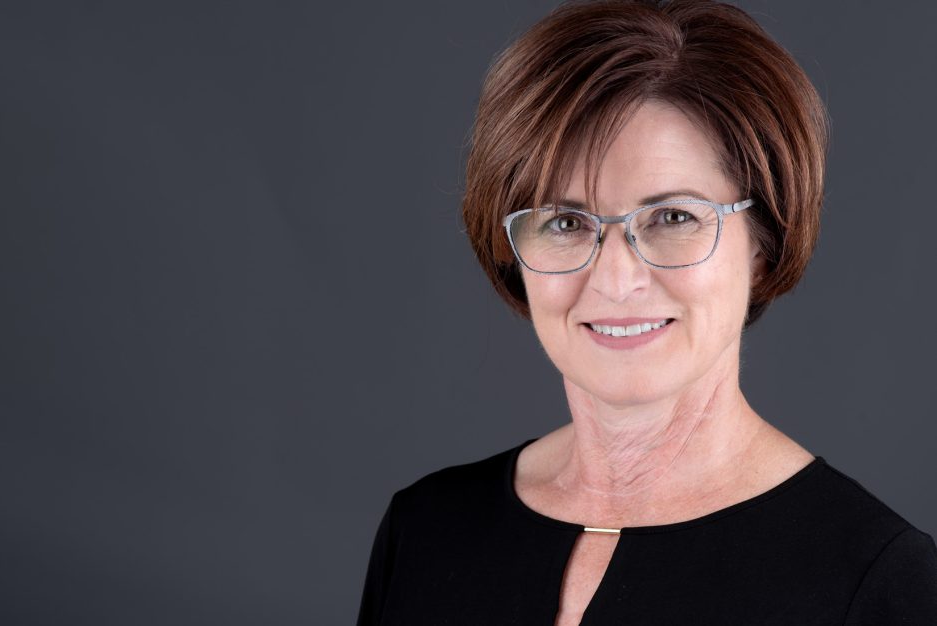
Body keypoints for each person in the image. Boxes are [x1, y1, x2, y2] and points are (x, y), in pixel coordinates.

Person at [357, 1, 937, 624]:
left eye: (673, 217)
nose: (615, 278)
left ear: (764, 246)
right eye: (565, 222)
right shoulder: (426, 532)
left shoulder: (877, 579)